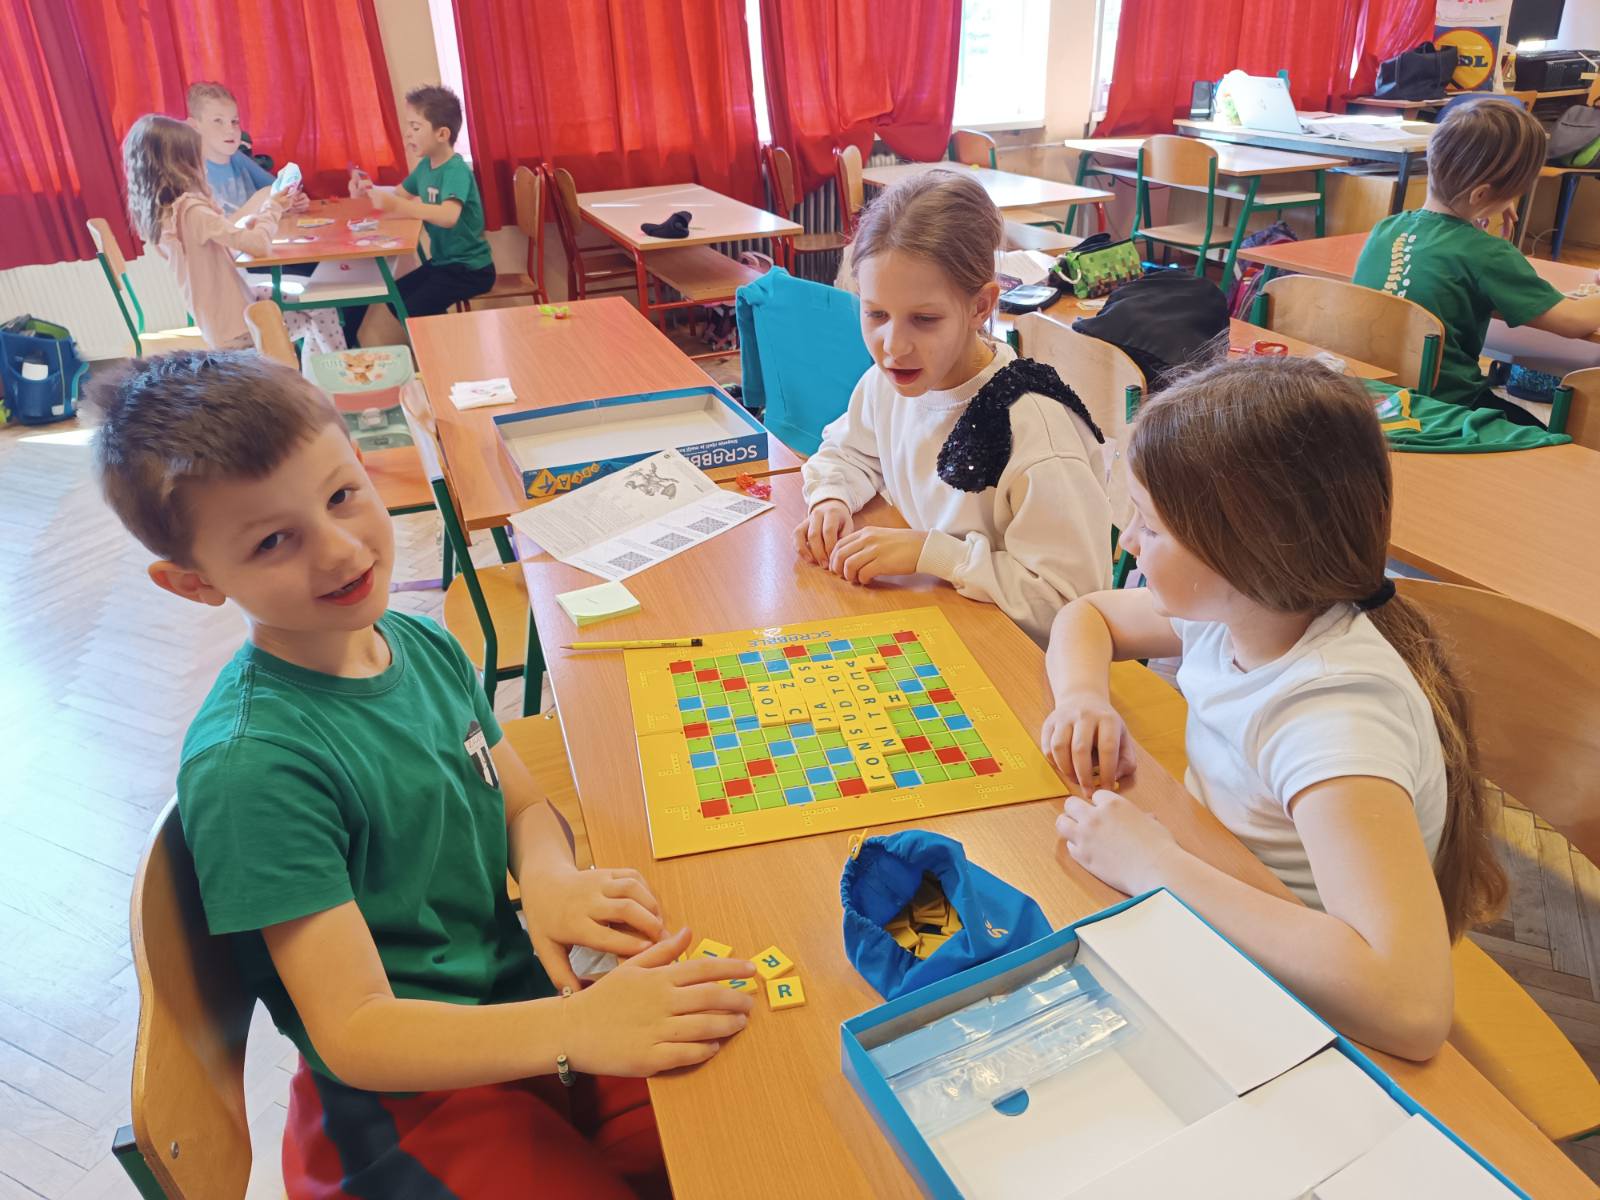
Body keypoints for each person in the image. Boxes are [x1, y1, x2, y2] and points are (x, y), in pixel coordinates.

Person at [88, 351, 754, 1198]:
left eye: (341, 495)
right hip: (405, 1107)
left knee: (752, 1102)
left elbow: (522, 805)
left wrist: (548, 880)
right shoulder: (253, 768)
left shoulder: (423, 644)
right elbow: (358, 1032)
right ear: (192, 582)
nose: (339, 551)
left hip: (526, 1019)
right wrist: (578, 1029)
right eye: (272, 541)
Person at [1040, 356, 1505, 1061]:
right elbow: (1088, 615)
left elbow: (1409, 1008)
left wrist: (1156, 867)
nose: (1129, 541)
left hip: (1305, 996)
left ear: (1247, 550)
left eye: (1151, 528)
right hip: (1227, 893)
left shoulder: (1329, 719)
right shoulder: (1240, 613)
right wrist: (1082, 696)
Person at [795, 170, 1112, 645]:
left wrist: (935, 554)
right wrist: (831, 497)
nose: (893, 346)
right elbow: (852, 451)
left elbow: (1071, 606)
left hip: (1021, 658)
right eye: (875, 313)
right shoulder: (888, 383)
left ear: (981, 306)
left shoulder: (1035, 433)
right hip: (941, 624)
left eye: (924, 319)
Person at [1353, 99, 1600, 425]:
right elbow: (1573, 322)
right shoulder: (1486, 253)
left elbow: (1449, 282)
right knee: (1555, 440)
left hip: (1373, 398)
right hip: (1441, 411)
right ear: (1481, 195)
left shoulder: (1386, 228)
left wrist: (1486, 206)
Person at [121, 114, 342, 353]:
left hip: (219, 318)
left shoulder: (164, 213)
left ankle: (321, 373)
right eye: (199, 157)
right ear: (180, 165)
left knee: (314, 307)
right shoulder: (192, 211)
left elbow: (212, 250)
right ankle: (341, 372)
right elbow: (259, 246)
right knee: (321, 308)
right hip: (240, 326)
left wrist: (248, 226)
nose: (204, 165)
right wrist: (274, 207)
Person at [349, 84, 495, 345]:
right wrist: (367, 190)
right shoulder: (426, 166)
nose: (408, 134)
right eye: (409, 127)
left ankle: (447, 350)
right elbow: (398, 194)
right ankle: (444, 346)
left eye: (415, 128)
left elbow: (448, 216)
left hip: (470, 269)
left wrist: (398, 206)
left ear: (442, 134)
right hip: (443, 262)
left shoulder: (455, 171)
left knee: (414, 307)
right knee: (396, 300)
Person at [185, 80, 308, 220]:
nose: (230, 130)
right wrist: (262, 198)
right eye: (218, 121)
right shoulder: (189, 173)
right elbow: (213, 230)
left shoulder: (237, 158)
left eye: (234, 121)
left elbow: (279, 192)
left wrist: (292, 202)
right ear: (194, 127)